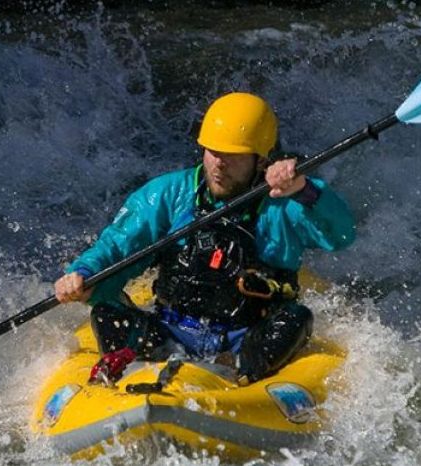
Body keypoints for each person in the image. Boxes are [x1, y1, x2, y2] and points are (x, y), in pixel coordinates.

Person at [54, 92, 355, 386]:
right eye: (213, 151)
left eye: (233, 155)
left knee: (296, 318)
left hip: (245, 338)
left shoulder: (286, 202)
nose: (219, 163)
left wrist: (305, 189)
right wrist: (84, 274)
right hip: (169, 331)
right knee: (107, 313)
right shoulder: (169, 193)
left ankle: (243, 381)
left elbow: (342, 234)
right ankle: (119, 382)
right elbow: (117, 246)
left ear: (261, 160)